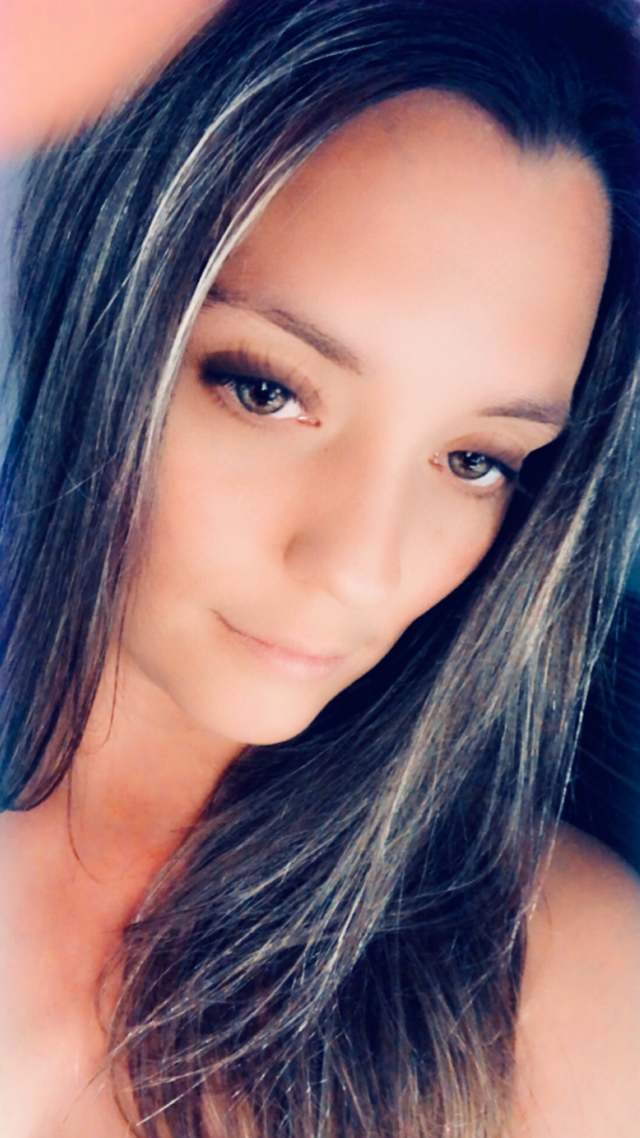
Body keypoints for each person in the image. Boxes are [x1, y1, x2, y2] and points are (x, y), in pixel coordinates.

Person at [1, 0, 639, 1134]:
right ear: (103, 310)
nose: (359, 566)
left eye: (474, 460)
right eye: (267, 390)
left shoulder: (562, 991)